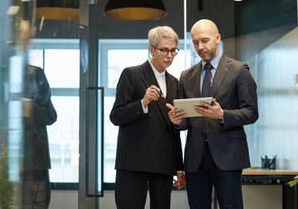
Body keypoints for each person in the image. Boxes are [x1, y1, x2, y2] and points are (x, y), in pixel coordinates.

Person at [166, 19, 258, 209]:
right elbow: (185, 122)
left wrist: (222, 114)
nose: (200, 47)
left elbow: (251, 112)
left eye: (205, 40)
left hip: (228, 156)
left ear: (217, 38)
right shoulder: (186, 76)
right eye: (195, 42)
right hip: (194, 158)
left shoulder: (239, 71)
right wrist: (177, 121)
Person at [110, 26, 185, 209]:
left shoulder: (174, 82)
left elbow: (173, 128)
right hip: (134, 162)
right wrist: (142, 103)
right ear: (151, 49)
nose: (169, 55)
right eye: (164, 50)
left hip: (163, 161)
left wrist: (179, 166)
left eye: (173, 50)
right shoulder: (132, 74)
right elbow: (116, 116)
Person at [20, 20, 58, 208]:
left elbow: (51, 116)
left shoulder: (37, 74)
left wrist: (30, 108)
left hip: (37, 160)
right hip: (8, 161)